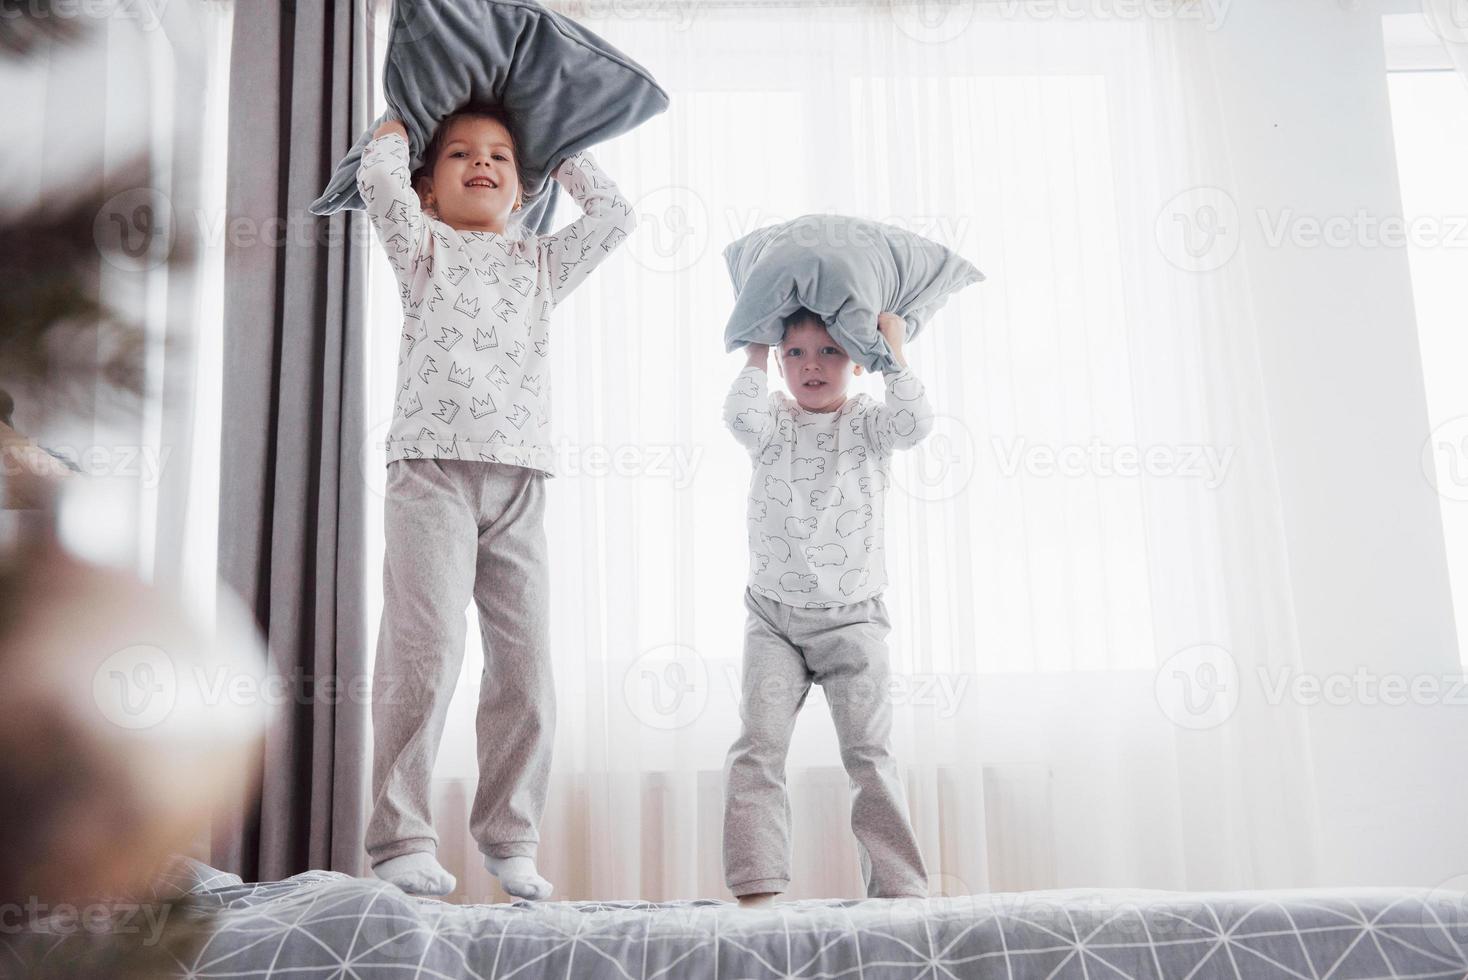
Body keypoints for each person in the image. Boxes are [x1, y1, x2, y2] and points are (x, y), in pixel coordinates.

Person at [356, 102, 634, 899]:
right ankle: (401, 836)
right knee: (426, 650)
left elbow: (615, 217)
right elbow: (381, 187)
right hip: (432, 474)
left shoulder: (541, 264)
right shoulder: (422, 249)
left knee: (526, 663)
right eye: (461, 156)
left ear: (524, 190)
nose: (482, 164)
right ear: (431, 192)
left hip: (519, 479)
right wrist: (400, 118)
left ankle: (511, 834)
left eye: (502, 158)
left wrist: (560, 149)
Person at [720, 308, 933, 906]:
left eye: (830, 352)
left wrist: (894, 354)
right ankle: (756, 889)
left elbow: (916, 424)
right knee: (757, 750)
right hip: (774, 621)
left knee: (869, 756)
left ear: (857, 361)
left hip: (853, 620)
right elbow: (736, 414)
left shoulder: (868, 424)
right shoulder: (770, 422)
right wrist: (756, 355)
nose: (811, 365)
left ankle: (900, 894)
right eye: (796, 354)